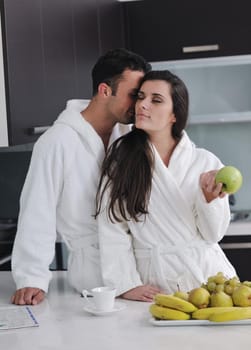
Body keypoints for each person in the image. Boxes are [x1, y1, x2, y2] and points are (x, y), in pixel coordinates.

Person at [11, 48, 151, 305]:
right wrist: (32, 278)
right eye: (133, 95)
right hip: (94, 277)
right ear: (105, 90)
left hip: (138, 270)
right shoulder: (56, 142)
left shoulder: (132, 137)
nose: (139, 105)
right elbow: (37, 212)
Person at [95, 70, 236, 302]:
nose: (143, 105)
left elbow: (214, 235)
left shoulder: (206, 162)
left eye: (156, 100)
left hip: (210, 279)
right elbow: (112, 228)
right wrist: (126, 284)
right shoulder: (122, 162)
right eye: (141, 97)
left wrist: (209, 202)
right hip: (155, 284)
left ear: (174, 115)